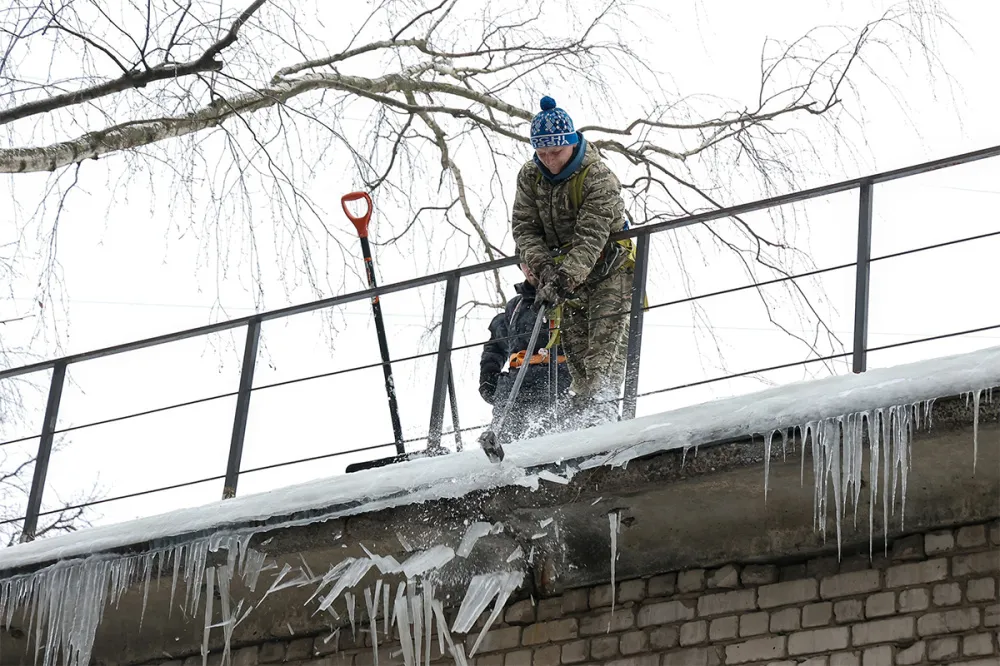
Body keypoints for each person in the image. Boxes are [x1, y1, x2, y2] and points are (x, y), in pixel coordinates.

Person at [510, 95, 634, 426]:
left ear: (571, 143)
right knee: (576, 359)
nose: (549, 160)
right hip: (564, 279)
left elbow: (592, 236)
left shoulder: (598, 176)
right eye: (542, 152)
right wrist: (545, 271)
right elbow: (525, 229)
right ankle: (582, 425)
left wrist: (564, 279)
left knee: (603, 358)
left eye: (556, 152)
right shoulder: (530, 176)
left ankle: (602, 421)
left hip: (608, 273)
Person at [479, 262, 572, 443]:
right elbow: (496, 345)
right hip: (515, 386)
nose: (529, 268)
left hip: (556, 381)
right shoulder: (515, 306)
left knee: (552, 440)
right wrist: (488, 379)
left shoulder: (569, 299)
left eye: (533, 262)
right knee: (506, 443)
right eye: (524, 263)